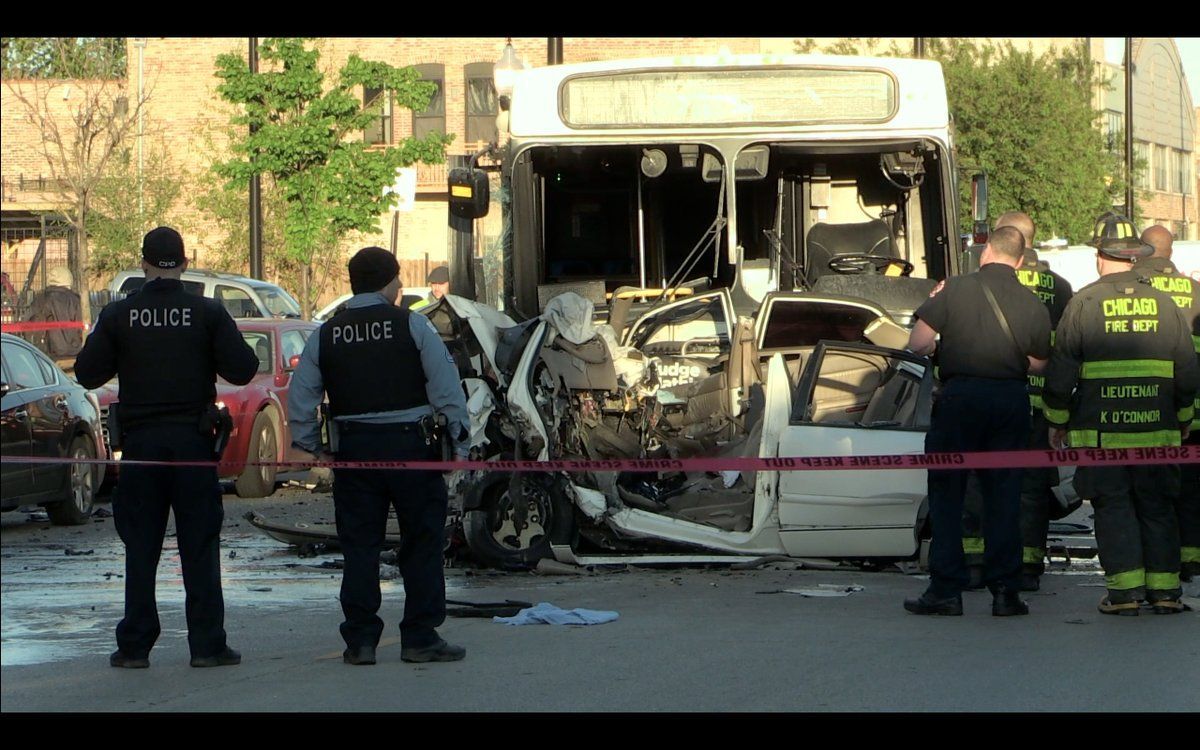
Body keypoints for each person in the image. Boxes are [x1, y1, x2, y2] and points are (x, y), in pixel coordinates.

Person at [74, 227, 259, 668]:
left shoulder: (121, 315)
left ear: (144, 263)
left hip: (141, 446)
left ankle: (135, 646)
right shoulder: (207, 312)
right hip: (193, 444)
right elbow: (244, 370)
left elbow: (86, 374)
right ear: (185, 262)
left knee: (141, 548)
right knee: (199, 546)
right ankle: (207, 645)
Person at [288, 247, 470, 666]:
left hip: (354, 451)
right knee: (421, 542)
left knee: (359, 547)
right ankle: (421, 638)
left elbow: (301, 399)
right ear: (390, 283)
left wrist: (315, 447)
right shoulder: (413, 325)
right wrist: (460, 443)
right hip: (413, 449)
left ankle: (361, 641)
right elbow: (446, 388)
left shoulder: (327, 332)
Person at [1042, 214, 1198, 615]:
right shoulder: (1165, 305)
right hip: (1158, 433)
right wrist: (1183, 417)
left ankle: (1125, 595)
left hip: (1102, 435)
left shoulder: (1084, 302)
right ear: (1134, 258)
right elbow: (1186, 370)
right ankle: (1165, 593)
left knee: (1113, 509)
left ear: (1099, 256)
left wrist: (1056, 421)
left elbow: (1061, 370)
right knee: (1158, 508)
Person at [903, 225, 1051, 617]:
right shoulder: (1032, 302)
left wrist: (944, 346)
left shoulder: (954, 289)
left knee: (948, 495)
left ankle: (946, 591)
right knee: (1005, 498)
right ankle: (1006, 592)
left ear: (984, 253)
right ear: (1019, 261)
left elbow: (917, 344)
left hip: (960, 400)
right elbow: (1040, 362)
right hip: (1010, 402)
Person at [1136, 225, 1200, 582]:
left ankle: (1153, 562)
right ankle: (1190, 559)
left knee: (1150, 493)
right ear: (1171, 253)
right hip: (1192, 410)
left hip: (1146, 410)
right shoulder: (1196, 292)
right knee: (1190, 489)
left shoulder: (1134, 290)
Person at [22, 266, 83, 366]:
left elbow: (28, 323)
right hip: (74, 351)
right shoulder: (75, 299)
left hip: (47, 354)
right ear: (68, 280)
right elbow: (81, 326)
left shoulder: (40, 299)